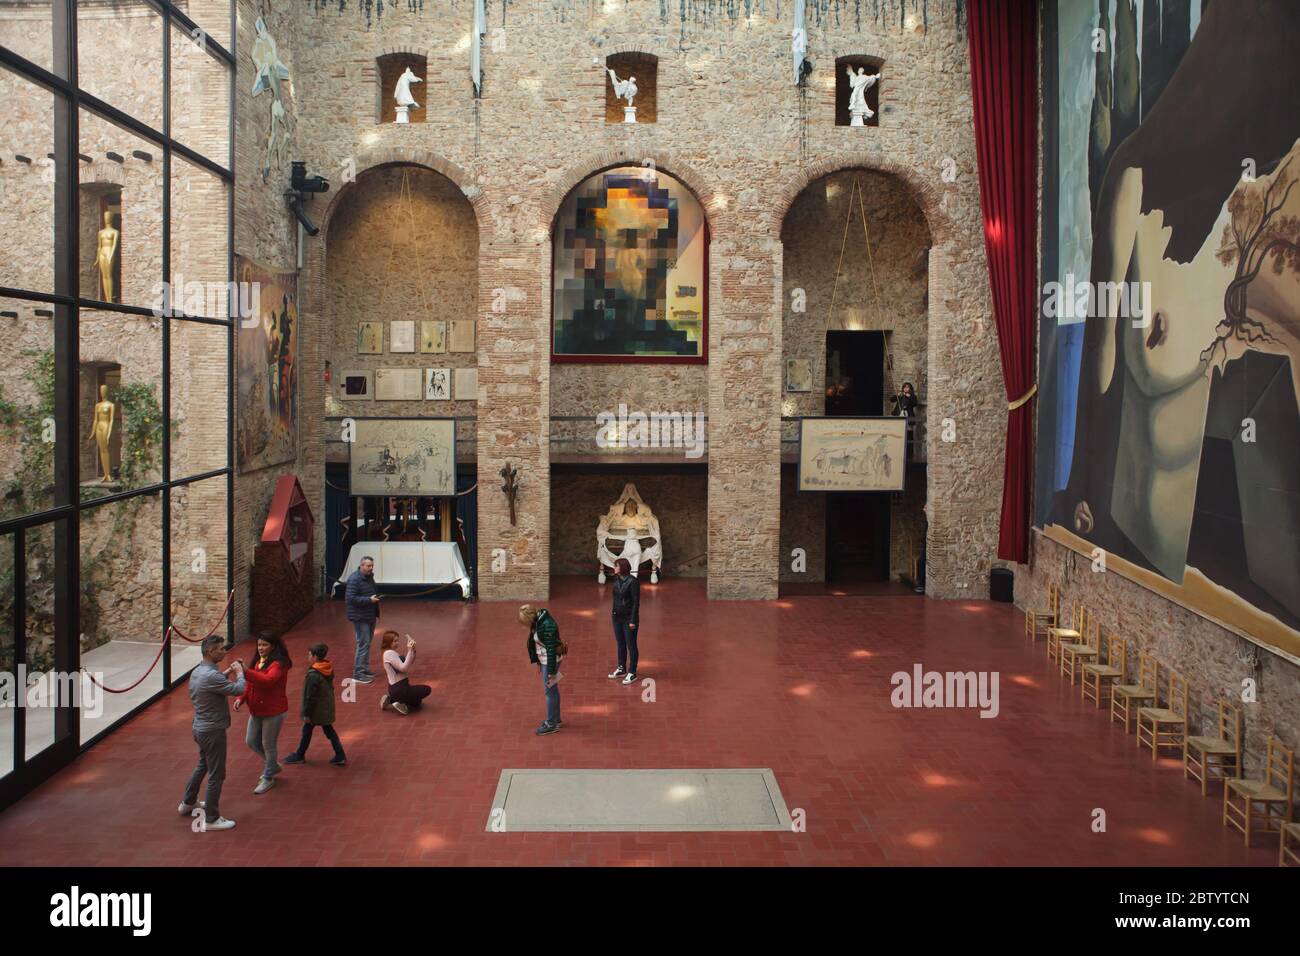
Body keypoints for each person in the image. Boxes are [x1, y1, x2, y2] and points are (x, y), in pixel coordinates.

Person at [178, 634, 245, 832]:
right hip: (213, 731)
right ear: (210, 651)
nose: (224, 652)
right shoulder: (211, 676)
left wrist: (228, 671)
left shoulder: (199, 672)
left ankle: (188, 803)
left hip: (199, 728)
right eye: (221, 649)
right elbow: (237, 689)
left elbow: (215, 682)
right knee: (217, 774)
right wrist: (240, 672)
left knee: (203, 764)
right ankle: (212, 819)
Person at [234, 631, 291, 794]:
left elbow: (268, 681)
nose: (260, 648)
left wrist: (246, 671)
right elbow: (250, 684)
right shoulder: (258, 662)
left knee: (268, 744)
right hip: (256, 710)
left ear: (273, 646)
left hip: (273, 712)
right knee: (251, 740)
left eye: (264, 645)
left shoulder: (279, 664)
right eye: (259, 644)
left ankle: (268, 777)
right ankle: (272, 765)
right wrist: (241, 698)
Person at [283, 643, 347, 766]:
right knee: (327, 730)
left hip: (316, 710)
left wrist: (307, 713)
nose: (308, 656)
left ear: (315, 656)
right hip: (325, 707)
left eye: (309, 654)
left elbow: (309, 696)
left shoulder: (313, 675)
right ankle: (339, 754)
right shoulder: (327, 668)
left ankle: (300, 755)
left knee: (307, 730)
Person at [520, 605, 563, 736]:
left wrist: (551, 671)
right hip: (546, 661)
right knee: (553, 690)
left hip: (550, 662)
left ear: (529, 618)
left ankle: (551, 723)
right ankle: (556, 719)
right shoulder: (539, 621)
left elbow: (551, 650)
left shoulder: (547, 625)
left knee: (549, 692)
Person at [345, 555, 381, 684]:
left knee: (367, 643)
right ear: (361, 566)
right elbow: (350, 598)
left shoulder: (369, 577)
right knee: (363, 644)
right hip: (360, 617)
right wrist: (369, 600)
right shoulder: (354, 579)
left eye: (372, 565)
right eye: (368, 566)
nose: (371, 568)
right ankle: (358, 673)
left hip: (369, 615)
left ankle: (364, 669)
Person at [379, 630, 432, 716]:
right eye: (395, 641)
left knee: (417, 702)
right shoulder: (389, 653)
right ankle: (396, 701)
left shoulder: (390, 653)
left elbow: (408, 662)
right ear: (388, 642)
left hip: (398, 688)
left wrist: (413, 650)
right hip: (400, 689)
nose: (397, 643)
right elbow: (403, 668)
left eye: (397, 640)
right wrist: (409, 650)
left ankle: (393, 699)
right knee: (427, 689)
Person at [607, 557, 641, 685]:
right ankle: (621, 668)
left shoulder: (633, 582)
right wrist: (613, 613)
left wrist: (633, 620)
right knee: (620, 643)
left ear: (622, 567)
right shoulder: (616, 581)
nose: (614, 568)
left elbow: (635, 603)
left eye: (616, 566)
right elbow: (615, 600)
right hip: (617, 617)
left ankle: (632, 672)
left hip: (629, 619)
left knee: (631, 644)